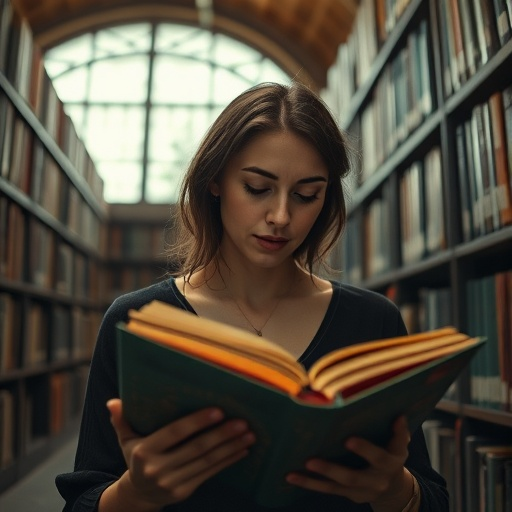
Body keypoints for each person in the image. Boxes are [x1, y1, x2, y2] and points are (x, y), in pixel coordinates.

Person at [56, 81, 448, 511]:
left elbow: (432, 498)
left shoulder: (374, 321)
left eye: (306, 195)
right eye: (258, 188)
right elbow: (82, 500)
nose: (281, 216)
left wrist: (395, 490)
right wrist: (134, 494)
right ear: (215, 181)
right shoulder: (135, 320)